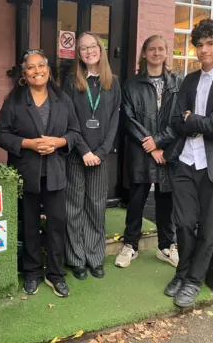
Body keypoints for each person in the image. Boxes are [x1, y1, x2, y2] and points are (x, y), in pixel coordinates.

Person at [163, 19, 213, 307]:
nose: (203, 50)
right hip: (186, 160)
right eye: (199, 44)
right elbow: (175, 120)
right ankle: (181, 273)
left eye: (210, 44)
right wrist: (195, 124)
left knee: (208, 228)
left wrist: (192, 121)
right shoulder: (188, 80)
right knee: (184, 224)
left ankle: (194, 281)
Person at [0, 49, 81, 298]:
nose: (37, 71)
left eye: (41, 65)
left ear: (48, 70)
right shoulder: (15, 101)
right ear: (24, 74)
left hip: (55, 172)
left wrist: (58, 142)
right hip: (27, 171)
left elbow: (75, 132)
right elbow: (1, 134)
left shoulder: (63, 99)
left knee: (56, 225)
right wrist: (28, 144)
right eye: (31, 68)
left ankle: (55, 275)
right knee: (30, 225)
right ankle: (31, 273)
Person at [115, 35, 182, 269]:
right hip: (141, 150)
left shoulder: (176, 84)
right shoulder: (131, 85)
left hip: (167, 151)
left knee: (167, 200)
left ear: (166, 53)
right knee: (136, 200)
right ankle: (130, 245)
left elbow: (179, 119)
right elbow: (128, 119)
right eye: (151, 49)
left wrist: (161, 143)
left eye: (161, 49)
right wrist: (150, 145)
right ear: (143, 53)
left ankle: (166, 246)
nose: (156, 53)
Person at [62, 32, 121, 280]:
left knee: (96, 208)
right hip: (77, 155)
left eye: (92, 46)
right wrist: (84, 150)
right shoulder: (71, 82)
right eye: (83, 48)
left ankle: (95, 258)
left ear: (101, 48)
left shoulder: (112, 82)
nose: (88, 51)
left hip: (100, 157)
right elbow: (68, 119)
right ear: (78, 54)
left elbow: (114, 119)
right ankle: (76, 259)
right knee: (73, 208)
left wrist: (101, 152)